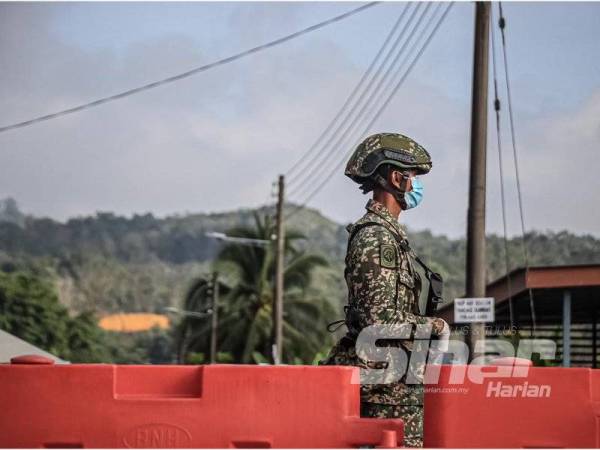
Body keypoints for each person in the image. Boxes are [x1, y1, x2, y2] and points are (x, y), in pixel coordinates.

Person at [320, 132, 450, 448]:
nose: (417, 185)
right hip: (384, 394)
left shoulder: (391, 238)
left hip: (396, 386)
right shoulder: (376, 238)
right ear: (396, 177)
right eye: (414, 177)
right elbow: (375, 321)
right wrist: (434, 326)